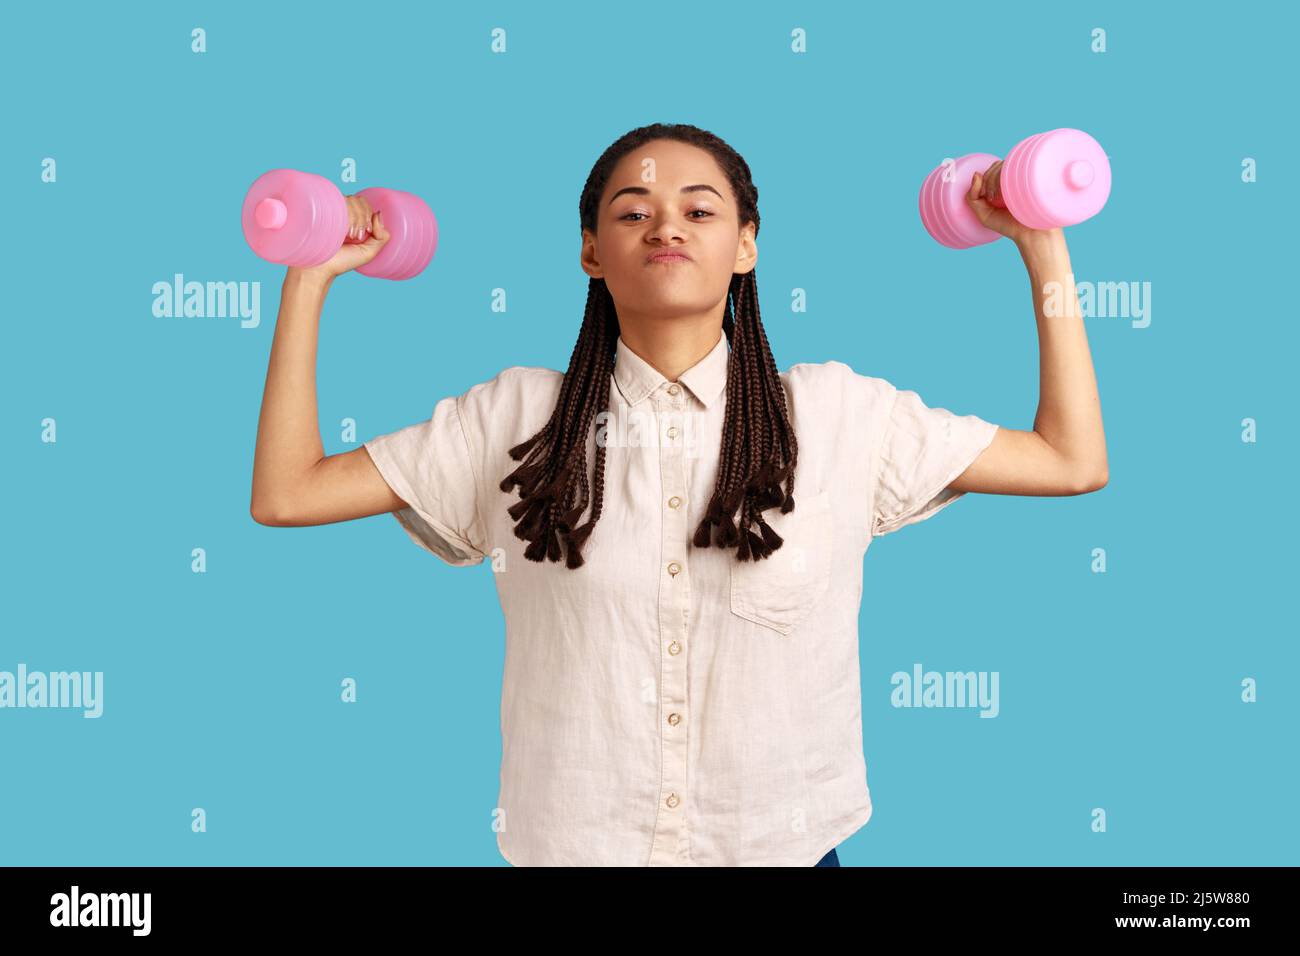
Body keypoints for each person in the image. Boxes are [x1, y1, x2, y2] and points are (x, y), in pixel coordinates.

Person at [250, 123, 1107, 867]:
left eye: (700, 210)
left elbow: (1070, 460)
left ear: (746, 245)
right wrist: (310, 278)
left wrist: (1042, 242)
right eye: (633, 211)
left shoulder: (843, 415)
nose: (666, 225)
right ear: (591, 251)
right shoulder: (509, 418)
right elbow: (288, 492)